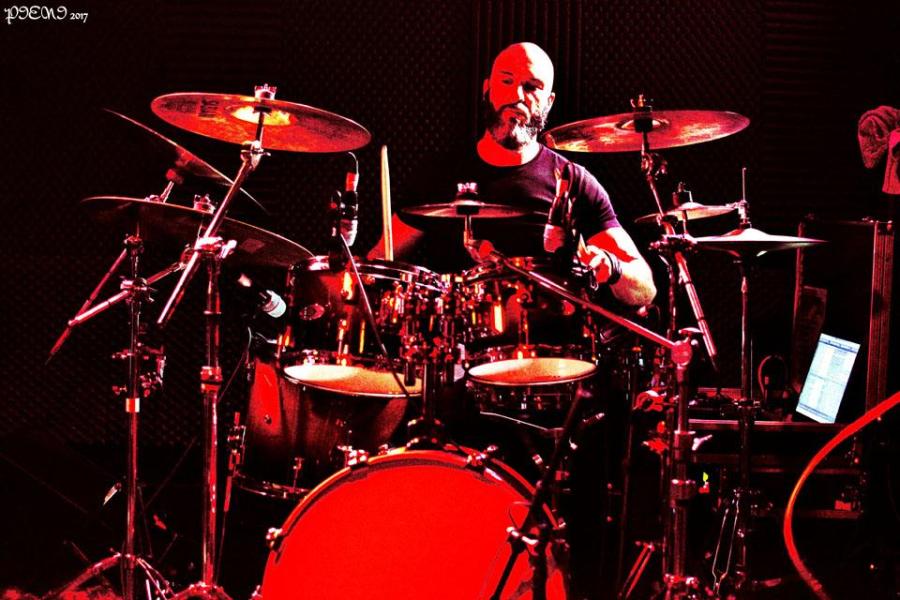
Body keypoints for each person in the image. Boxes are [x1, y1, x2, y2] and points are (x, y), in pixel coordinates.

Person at [369, 41, 656, 307]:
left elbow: (645, 289)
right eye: (506, 81)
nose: (517, 96)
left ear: (549, 102)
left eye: (532, 87)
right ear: (487, 89)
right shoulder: (438, 175)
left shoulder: (573, 182)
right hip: (455, 341)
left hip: (550, 342)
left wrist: (612, 266)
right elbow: (380, 262)